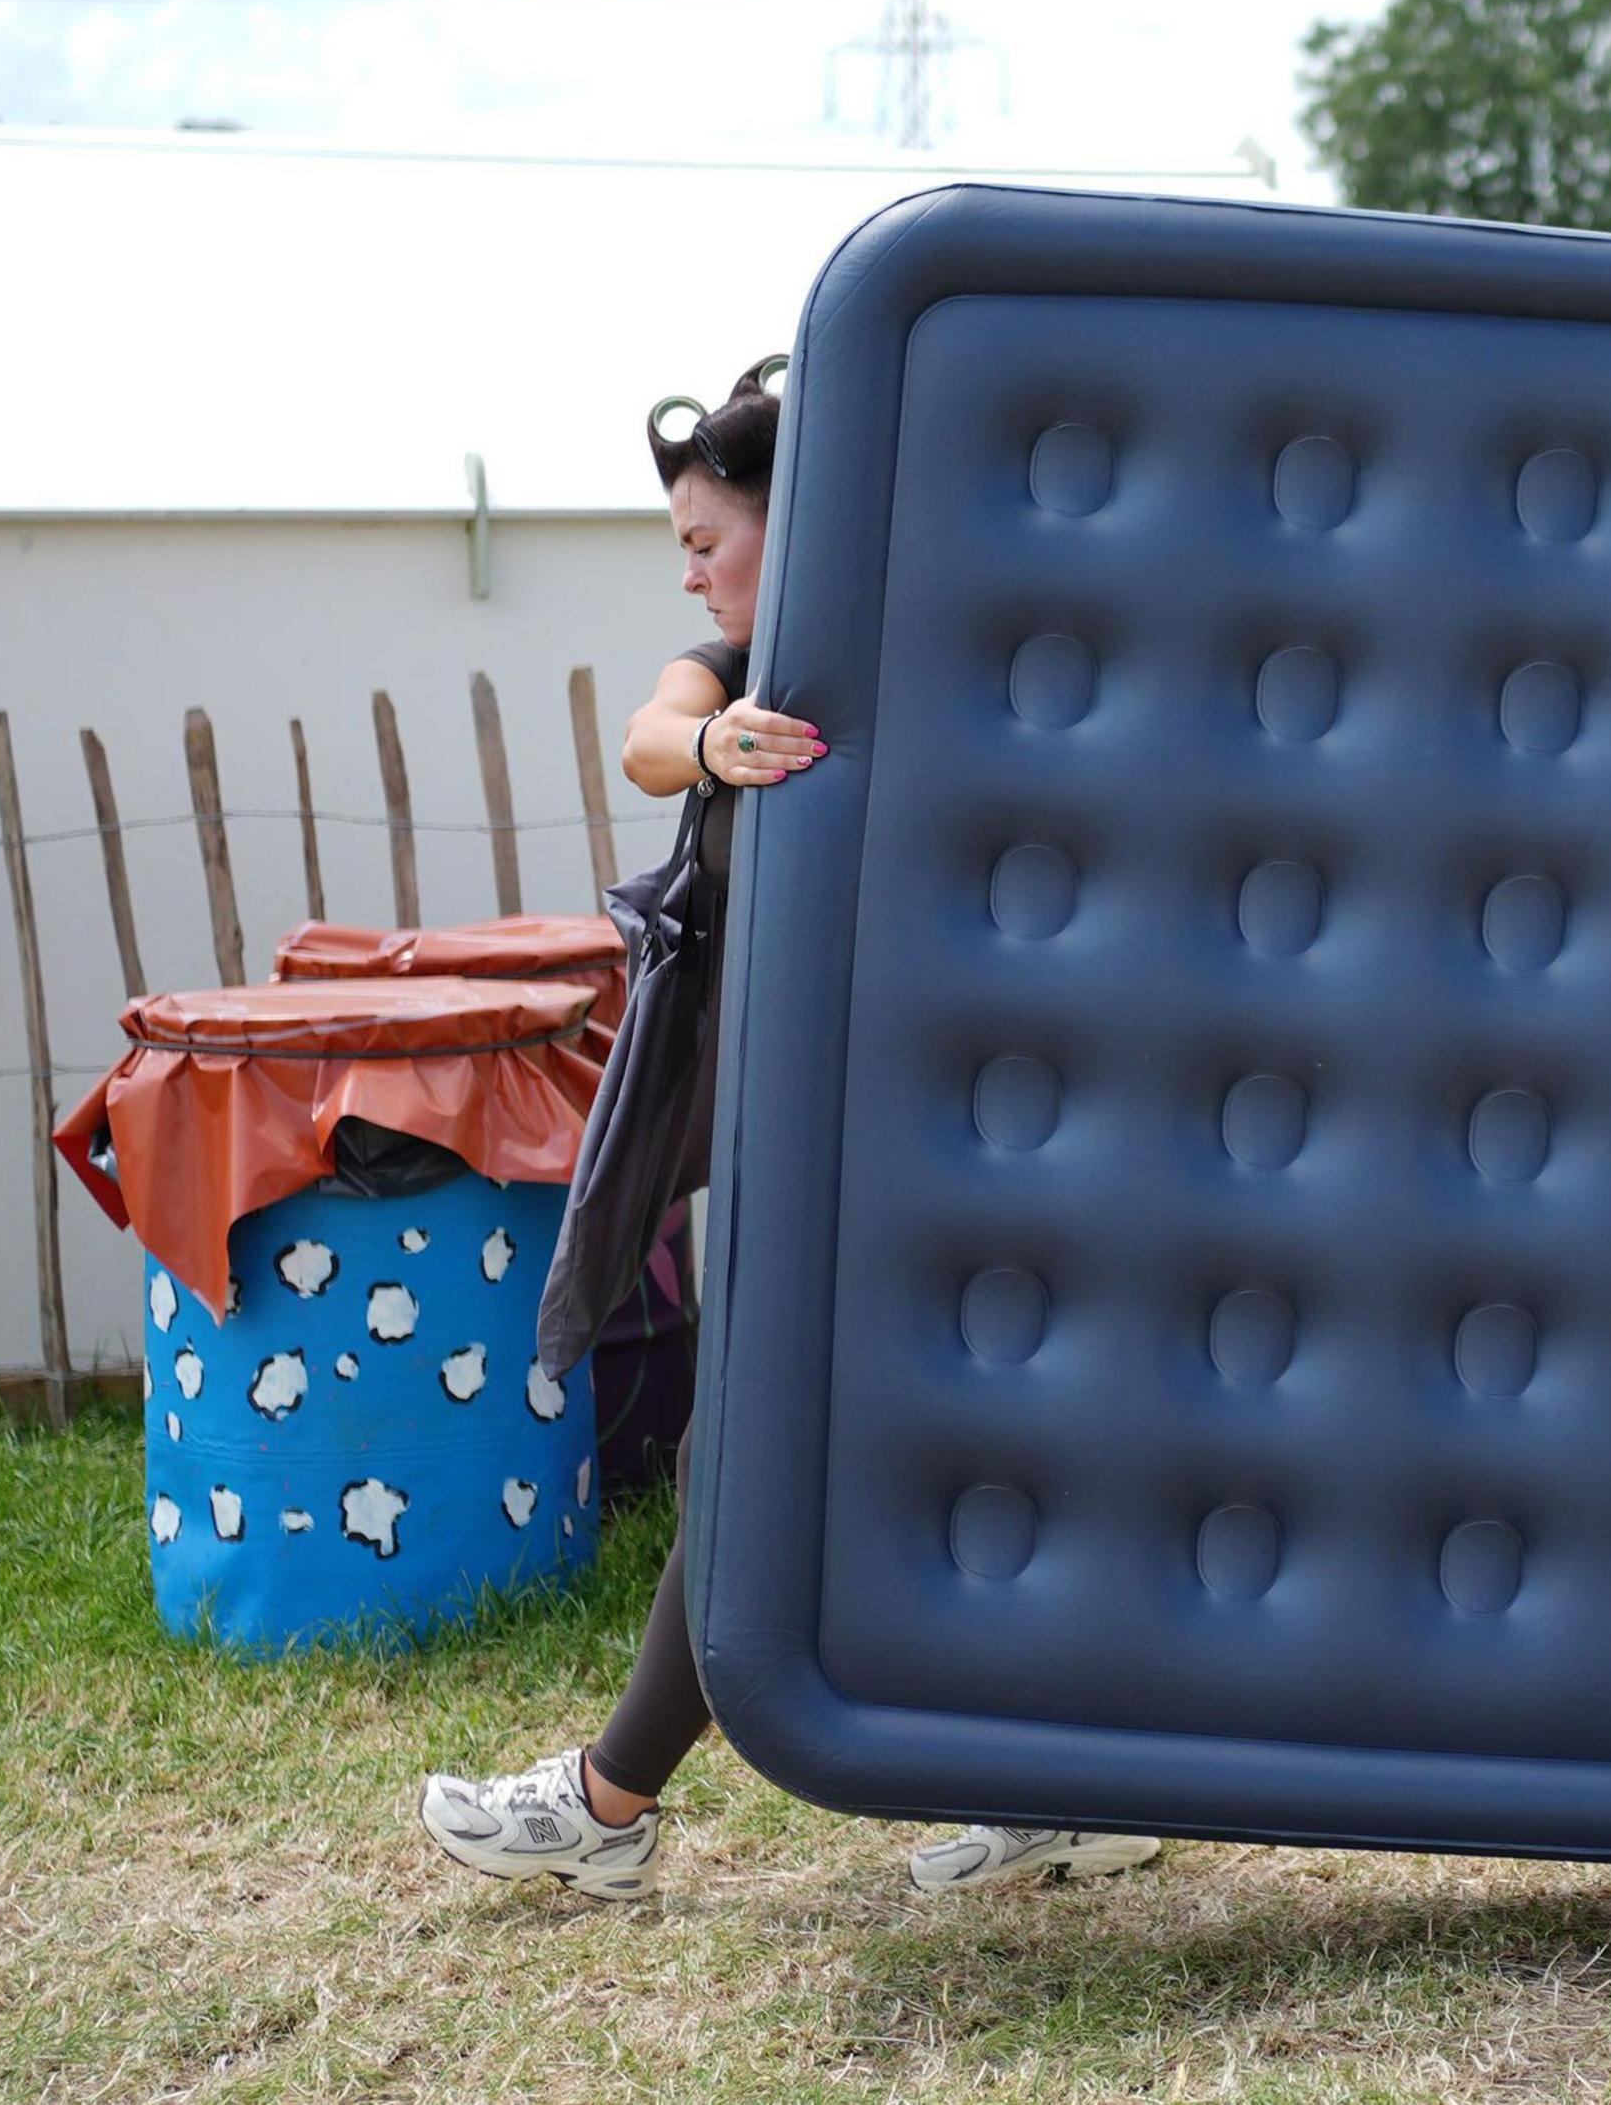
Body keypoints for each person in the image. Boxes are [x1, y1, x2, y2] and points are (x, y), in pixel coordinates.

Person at [413, 358, 1167, 1904]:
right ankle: (1048, 1787)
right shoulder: (735, 682)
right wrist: (714, 747)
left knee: (795, 1459)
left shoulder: (928, 664)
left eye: (709, 536)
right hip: (800, 1146)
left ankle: (608, 1812)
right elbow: (651, 731)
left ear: (793, 518)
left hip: (921, 1151)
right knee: (786, 1455)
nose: (690, 568)